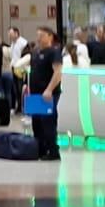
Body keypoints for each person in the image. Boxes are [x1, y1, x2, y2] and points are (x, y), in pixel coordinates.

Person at [24, 26, 64, 160]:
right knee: (37, 123)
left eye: (42, 35)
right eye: (38, 35)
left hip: (48, 94)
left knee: (48, 122)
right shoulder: (35, 52)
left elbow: (57, 73)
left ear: (50, 36)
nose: (39, 38)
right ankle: (39, 149)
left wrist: (49, 89)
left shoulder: (54, 52)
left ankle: (53, 151)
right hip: (35, 93)